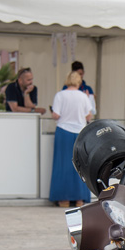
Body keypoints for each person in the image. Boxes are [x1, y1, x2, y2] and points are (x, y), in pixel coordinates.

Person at [49, 71, 93, 207]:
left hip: (63, 131)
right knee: (81, 165)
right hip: (80, 132)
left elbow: (56, 115)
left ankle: (63, 199)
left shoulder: (60, 95)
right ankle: (80, 199)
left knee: (62, 165)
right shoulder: (83, 96)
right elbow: (88, 116)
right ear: (79, 82)